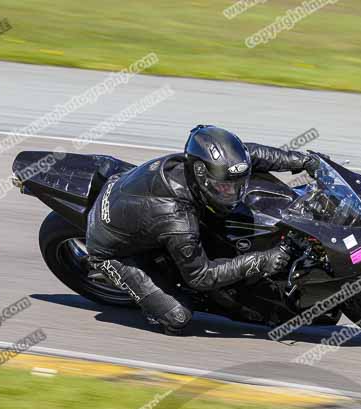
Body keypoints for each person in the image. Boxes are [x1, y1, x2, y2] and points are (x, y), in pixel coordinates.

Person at [85, 125, 320, 335]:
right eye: (224, 187)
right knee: (178, 318)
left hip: (132, 202)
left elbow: (251, 155)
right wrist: (261, 261)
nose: (233, 192)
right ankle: (154, 301)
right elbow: (201, 276)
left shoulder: (211, 166)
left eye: (236, 185)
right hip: (113, 251)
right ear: (201, 175)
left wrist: (303, 160)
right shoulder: (176, 219)